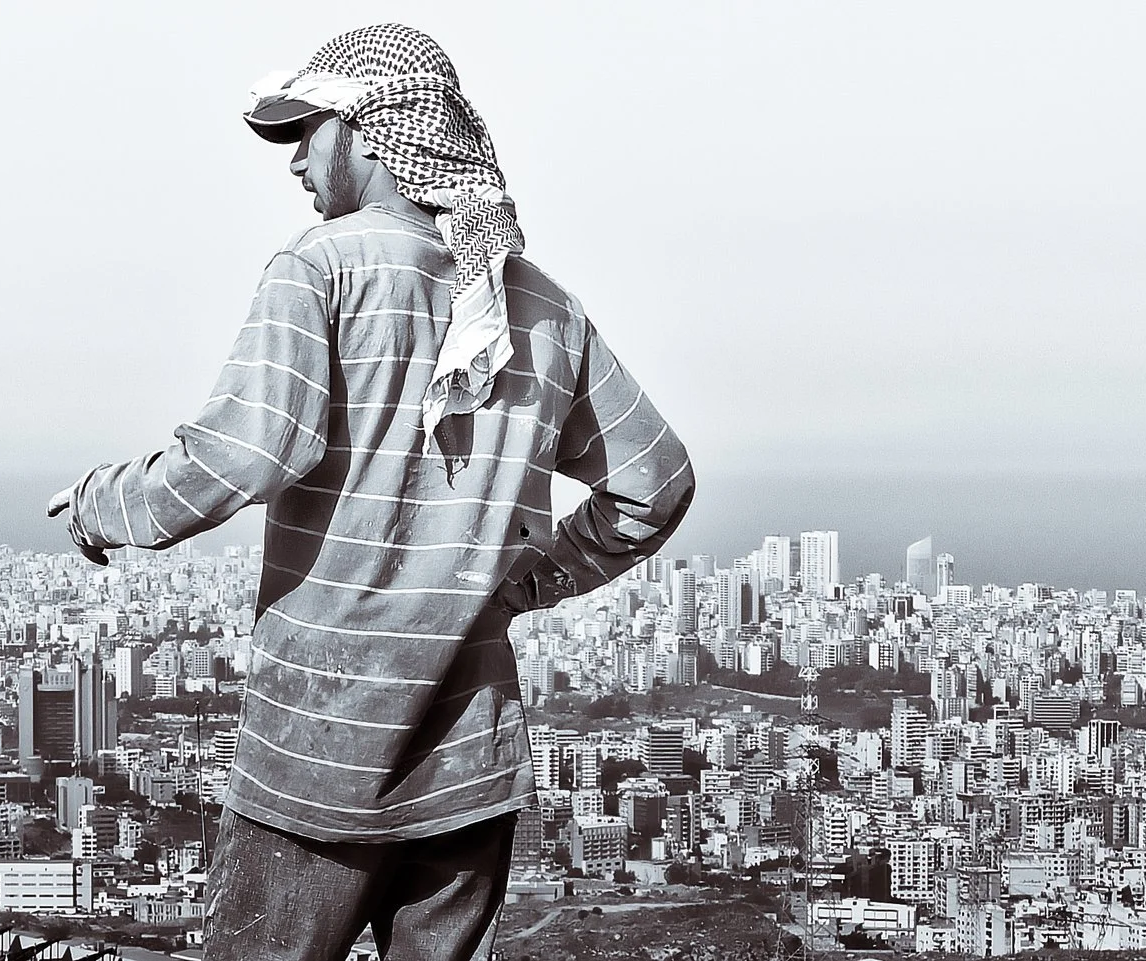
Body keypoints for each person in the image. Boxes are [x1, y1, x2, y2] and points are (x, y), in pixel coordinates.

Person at [48, 23, 694, 961]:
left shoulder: (322, 269)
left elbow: (238, 455)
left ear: (373, 133)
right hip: (469, 775)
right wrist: (526, 579)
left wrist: (100, 505)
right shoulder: (538, 303)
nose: (298, 158)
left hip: (317, 766)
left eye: (309, 129)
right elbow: (657, 482)